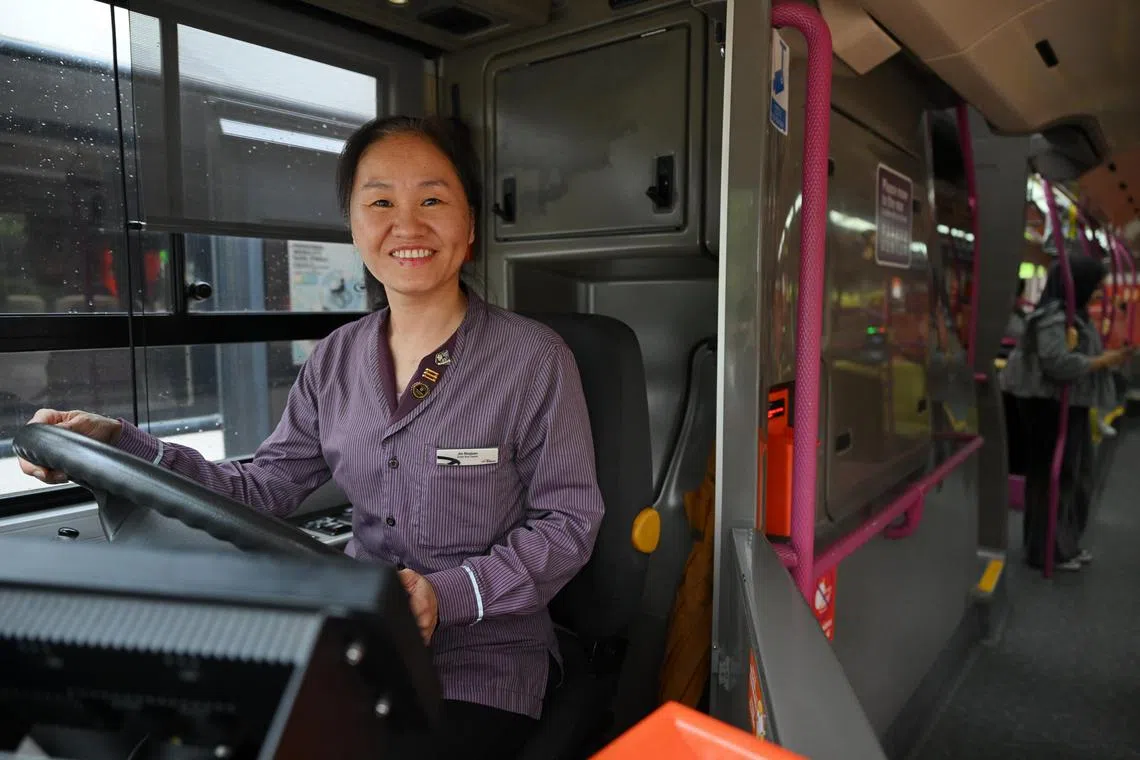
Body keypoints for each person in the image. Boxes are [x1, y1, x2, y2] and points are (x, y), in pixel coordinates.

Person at [18, 115, 605, 759]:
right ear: (355, 227)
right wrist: (118, 444)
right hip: (357, 641)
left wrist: (451, 592)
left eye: (432, 199)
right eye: (380, 201)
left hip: (488, 661)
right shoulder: (334, 359)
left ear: (469, 225)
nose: (406, 225)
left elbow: (567, 523)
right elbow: (261, 486)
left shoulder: (534, 359)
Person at [1000, 256, 1132, 571]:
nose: (1100, 291)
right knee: (1053, 478)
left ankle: (1062, 544)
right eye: (1096, 285)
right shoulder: (1054, 318)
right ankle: (1047, 550)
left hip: (1066, 402)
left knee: (1071, 475)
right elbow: (1057, 363)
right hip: (1048, 404)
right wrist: (1104, 361)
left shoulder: (1075, 316)